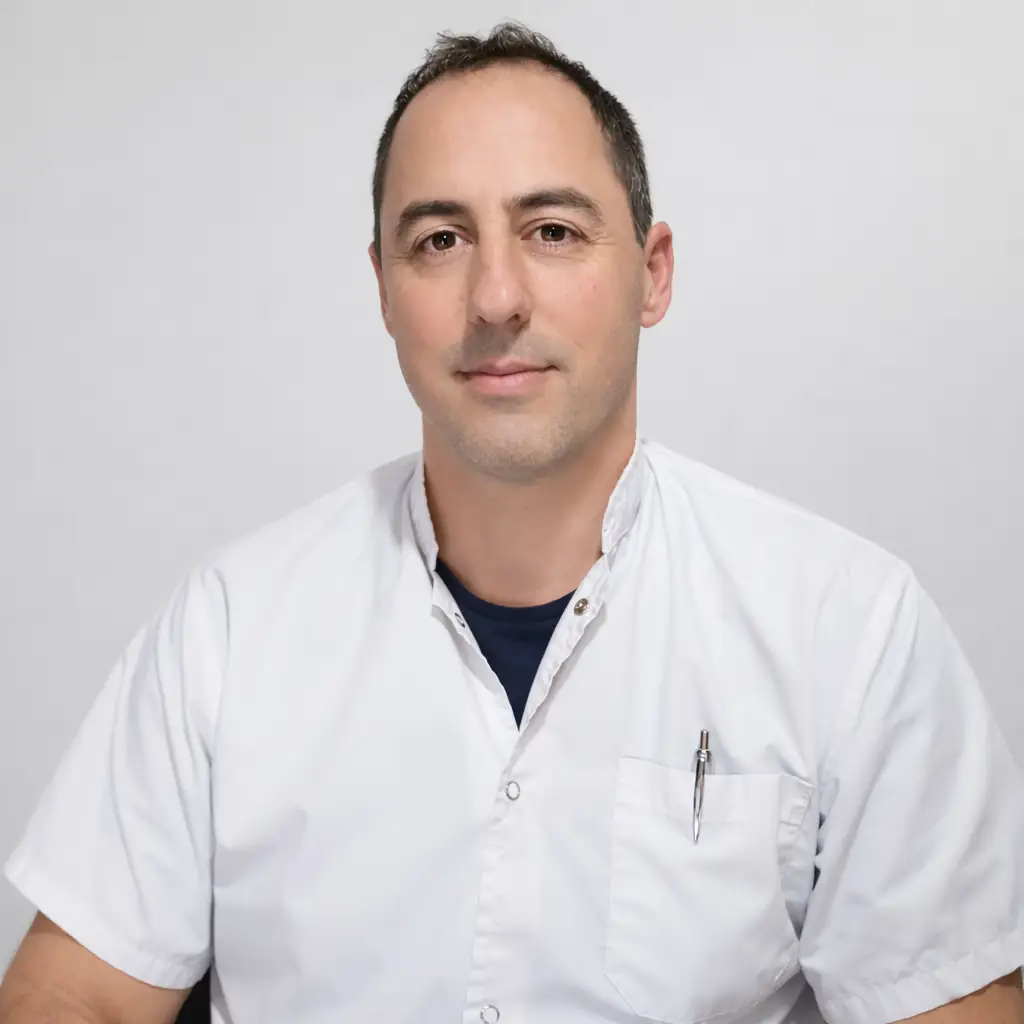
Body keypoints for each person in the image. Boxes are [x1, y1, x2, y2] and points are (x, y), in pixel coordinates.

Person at [2, 21, 1023, 1024]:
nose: (495, 297)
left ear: (653, 273)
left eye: (553, 231)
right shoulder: (230, 628)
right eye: (440, 241)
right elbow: (76, 994)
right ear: (384, 290)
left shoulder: (846, 628)